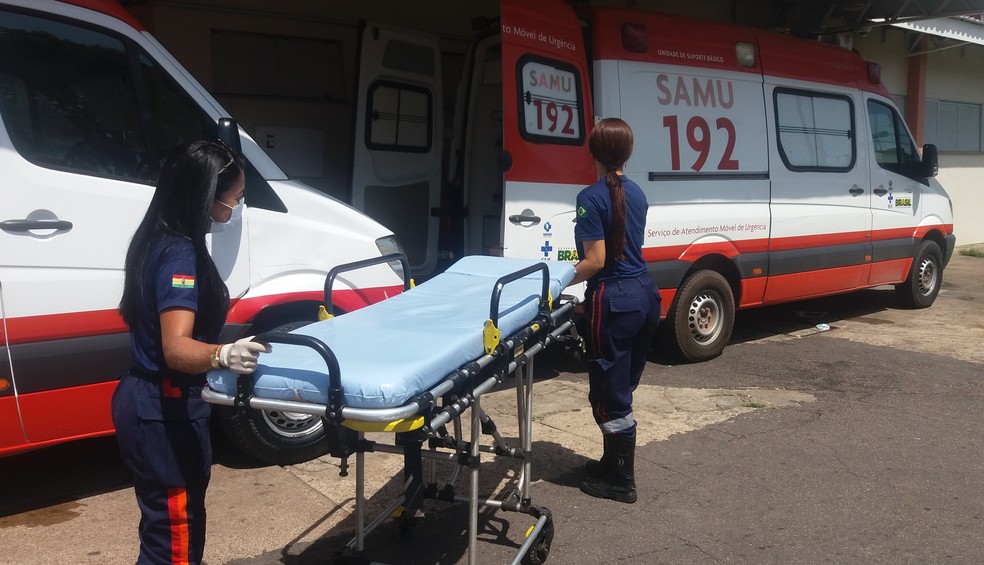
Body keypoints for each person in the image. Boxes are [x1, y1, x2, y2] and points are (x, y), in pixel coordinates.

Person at [113, 140, 270, 564]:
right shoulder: (179, 252)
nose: (236, 207)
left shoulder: (156, 237)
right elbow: (177, 349)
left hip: (156, 403)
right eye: (234, 197)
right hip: (163, 409)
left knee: (169, 525)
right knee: (175, 538)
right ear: (206, 195)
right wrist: (223, 355)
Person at [570, 118, 661, 504]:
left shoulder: (589, 198)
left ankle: (622, 481)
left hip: (614, 300)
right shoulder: (637, 193)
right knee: (621, 387)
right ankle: (611, 462)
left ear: (592, 152)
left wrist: (556, 282)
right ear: (627, 153)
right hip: (644, 295)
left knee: (609, 392)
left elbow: (595, 260)